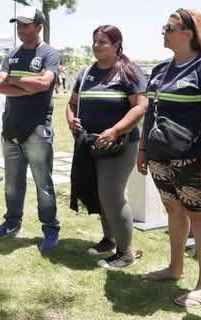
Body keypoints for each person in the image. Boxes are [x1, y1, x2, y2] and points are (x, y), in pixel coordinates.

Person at [137, 8, 201, 307]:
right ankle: (174, 268)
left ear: (188, 33)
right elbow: (151, 113)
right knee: (173, 211)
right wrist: (142, 150)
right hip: (160, 157)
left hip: (192, 159)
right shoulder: (160, 70)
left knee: (200, 218)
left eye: (169, 27)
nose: (163, 31)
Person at [66, 25, 148, 269]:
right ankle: (109, 240)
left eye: (103, 41)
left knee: (111, 194)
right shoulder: (86, 73)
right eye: (94, 41)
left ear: (116, 45)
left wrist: (115, 131)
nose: (96, 45)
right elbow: (71, 103)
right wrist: (71, 119)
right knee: (100, 194)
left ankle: (125, 253)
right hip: (91, 144)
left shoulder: (129, 72)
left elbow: (140, 106)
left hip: (120, 145)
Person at [0, 5, 61, 251]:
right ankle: (12, 223)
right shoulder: (12, 55)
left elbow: (44, 83)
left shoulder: (49, 53)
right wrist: (26, 85)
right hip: (10, 127)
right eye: (18, 25)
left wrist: (14, 79)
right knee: (12, 183)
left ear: (39, 27)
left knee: (43, 184)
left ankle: (50, 229)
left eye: (26, 25)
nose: (21, 29)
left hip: (37, 128)